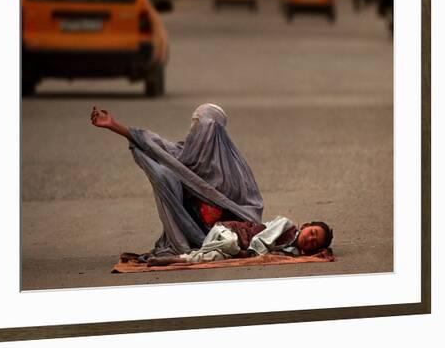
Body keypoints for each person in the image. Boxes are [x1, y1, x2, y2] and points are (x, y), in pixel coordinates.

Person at [90, 103, 264, 259]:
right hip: (190, 226)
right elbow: (154, 144)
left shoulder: (235, 167)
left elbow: (250, 210)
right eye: (194, 124)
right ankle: (184, 239)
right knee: (164, 174)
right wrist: (113, 125)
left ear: (216, 130)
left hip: (224, 233)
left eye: (200, 125)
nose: (195, 130)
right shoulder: (185, 154)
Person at [146, 216, 333, 266]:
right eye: (313, 232)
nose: (311, 239)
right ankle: (195, 253)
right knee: (231, 245)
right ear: (307, 225)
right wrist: (251, 254)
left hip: (232, 248)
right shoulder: (286, 225)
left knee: (216, 258)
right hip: (226, 231)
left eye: (315, 242)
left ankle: (175, 259)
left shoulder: (293, 254)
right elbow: (260, 240)